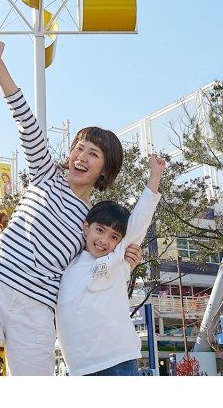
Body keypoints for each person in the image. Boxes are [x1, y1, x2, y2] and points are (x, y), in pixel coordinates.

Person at [0, 36, 141, 376]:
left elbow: (94, 264)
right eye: (79, 148)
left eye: (92, 154)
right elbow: (26, 120)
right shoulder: (45, 174)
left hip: (37, 308)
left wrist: (127, 259)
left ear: (104, 170)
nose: (81, 157)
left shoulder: (92, 221)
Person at [56, 153, 166, 376]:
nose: (104, 240)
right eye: (99, 230)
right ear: (86, 227)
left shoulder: (118, 259)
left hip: (118, 360)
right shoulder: (66, 262)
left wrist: (155, 176)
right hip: (79, 367)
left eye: (114, 237)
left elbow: (141, 218)